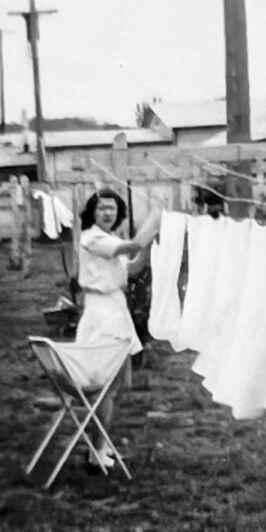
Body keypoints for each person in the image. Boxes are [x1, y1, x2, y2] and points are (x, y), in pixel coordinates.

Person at [76, 188, 161, 470]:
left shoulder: (110, 239)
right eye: (102, 208)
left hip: (116, 309)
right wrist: (155, 214)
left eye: (112, 208)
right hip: (101, 314)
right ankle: (95, 451)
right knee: (104, 388)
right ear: (93, 212)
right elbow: (134, 245)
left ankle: (100, 443)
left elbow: (132, 268)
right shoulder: (92, 238)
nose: (107, 213)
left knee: (119, 386)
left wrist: (148, 245)